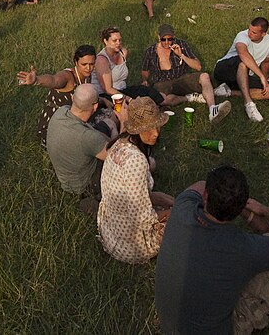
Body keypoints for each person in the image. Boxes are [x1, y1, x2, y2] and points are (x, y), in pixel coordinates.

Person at [154, 165, 269, 335]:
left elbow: (200, 184)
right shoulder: (243, 248)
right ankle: (265, 301)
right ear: (241, 207)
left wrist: (220, 191)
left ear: (206, 195)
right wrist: (264, 210)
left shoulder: (182, 208)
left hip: (169, 325)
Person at [97, 97, 175, 264]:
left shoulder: (119, 143)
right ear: (136, 130)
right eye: (148, 129)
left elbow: (135, 195)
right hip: (131, 246)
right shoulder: (136, 161)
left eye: (156, 127)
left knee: (170, 201)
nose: (155, 133)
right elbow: (143, 219)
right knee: (185, 222)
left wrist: (162, 198)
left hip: (111, 229)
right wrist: (174, 213)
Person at [139, 23, 231, 123]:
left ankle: (213, 109)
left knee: (204, 76)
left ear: (173, 37)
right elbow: (145, 70)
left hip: (181, 79)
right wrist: (144, 81)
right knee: (164, 100)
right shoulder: (150, 51)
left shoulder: (181, 45)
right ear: (158, 38)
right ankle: (190, 97)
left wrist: (181, 55)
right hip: (162, 83)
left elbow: (198, 66)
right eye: (163, 39)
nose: (167, 42)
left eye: (170, 39)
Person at [18, 45, 103, 146]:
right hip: (55, 128)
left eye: (92, 64)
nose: (88, 68)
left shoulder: (87, 76)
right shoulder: (67, 76)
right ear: (76, 62)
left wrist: (103, 101)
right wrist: (37, 80)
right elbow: (53, 80)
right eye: (84, 64)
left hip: (73, 120)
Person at [45, 84, 119, 196]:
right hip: (83, 185)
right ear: (95, 107)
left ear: (72, 98)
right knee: (150, 163)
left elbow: (91, 132)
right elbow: (119, 159)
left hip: (66, 175)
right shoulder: (87, 137)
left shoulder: (61, 111)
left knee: (109, 123)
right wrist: (124, 123)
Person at [213, 17, 269, 123]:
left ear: (263, 34)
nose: (250, 33)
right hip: (224, 70)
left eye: (254, 32)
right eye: (249, 30)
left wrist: (265, 78)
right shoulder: (242, 35)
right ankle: (249, 104)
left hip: (243, 77)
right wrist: (260, 75)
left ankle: (228, 92)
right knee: (243, 63)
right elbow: (243, 54)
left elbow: (266, 62)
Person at [92, 26, 129, 98]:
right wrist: (128, 98)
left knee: (145, 91)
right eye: (114, 41)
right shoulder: (102, 60)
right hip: (107, 95)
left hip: (122, 90)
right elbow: (107, 89)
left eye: (119, 40)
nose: (118, 43)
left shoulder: (123, 53)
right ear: (105, 41)